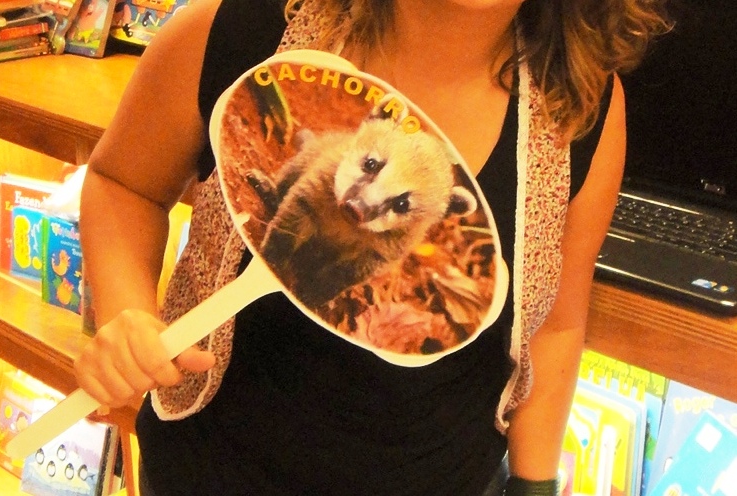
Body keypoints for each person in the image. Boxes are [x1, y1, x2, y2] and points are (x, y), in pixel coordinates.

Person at [75, 0, 670, 494]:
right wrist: (127, 311)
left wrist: (533, 485)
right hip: (206, 471)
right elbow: (123, 184)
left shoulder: (580, 105)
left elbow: (555, 323)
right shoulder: (240, 29)